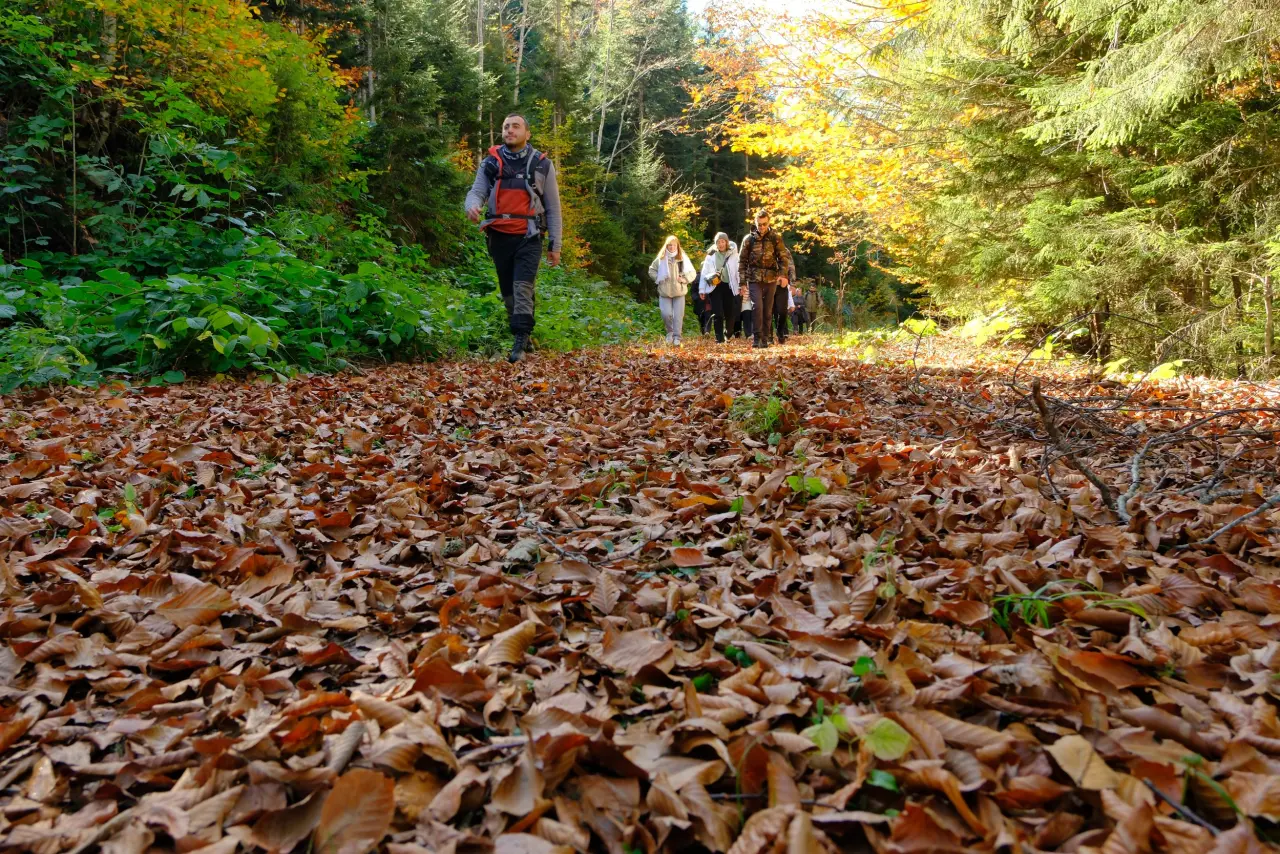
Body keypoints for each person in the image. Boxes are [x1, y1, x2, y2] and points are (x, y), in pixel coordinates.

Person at [464, 113, 563, 363]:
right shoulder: (491, 163)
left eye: (515, 126)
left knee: (522, 287)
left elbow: (553, 207)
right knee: (508, 291)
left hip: (529, 236)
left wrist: (555, 245)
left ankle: (519, 339)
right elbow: (477, 191)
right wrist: (472, 206)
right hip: (498, 235)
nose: (510, 130)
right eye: (506, 126)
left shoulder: (542, 164)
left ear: (527, 133)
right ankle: (524, 333)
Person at [738, 209, 795, 349]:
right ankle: (757, 337)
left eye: (764, 224)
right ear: (755, 223)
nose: (762, 227)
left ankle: (765, 338)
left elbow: (783, 258)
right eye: (759, 224)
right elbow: (742, 261)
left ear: (768, 223)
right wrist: (742, 282)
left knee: (768, 310)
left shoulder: (775, 238)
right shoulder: (749, 239)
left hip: (771, 279)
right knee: (757, 307)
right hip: (754, 278)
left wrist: (782, 275)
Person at [648, 235, 696, 346]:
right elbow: (651, 270)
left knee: (678, 316)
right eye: (669, 245)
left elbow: (692, 273)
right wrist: (659, 278)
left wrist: (684, 279)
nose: (671, 247)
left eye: (674, 245)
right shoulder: (661, 258)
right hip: (665, 291)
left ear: (677, 246)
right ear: (666, 246)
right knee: (666, 314)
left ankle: (677, 337)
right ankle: (670, 332)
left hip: (679, 291)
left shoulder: (682, 259)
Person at [700, 232, 740, 344]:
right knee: (717, 313)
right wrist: (702, 289)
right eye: (718, 242)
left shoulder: (733, 254)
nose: (721, 244)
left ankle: (728, 332)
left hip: (729, 286)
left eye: (722, 241)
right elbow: (704, 273)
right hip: (715, 286)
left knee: (730, 313)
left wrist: (742, 285)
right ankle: (719, 338)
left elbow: (738, 271)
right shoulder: (710, 255)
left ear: (726, 242)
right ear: (715, 243)